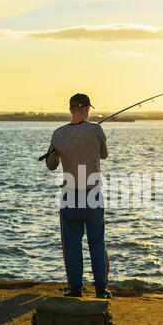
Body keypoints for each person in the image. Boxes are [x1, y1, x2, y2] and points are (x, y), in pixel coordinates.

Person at [45, 93, 111, 299]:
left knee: (72, 244)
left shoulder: (58, 134)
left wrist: (60, 150)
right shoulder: (96, 130)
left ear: (71, 109)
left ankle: (75, 288)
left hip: (70, 196)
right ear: (87, 110)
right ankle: (101, 288)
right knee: (97, 242)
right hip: (93, 195)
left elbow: (51, 165)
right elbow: (104, 154)